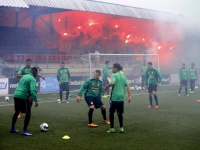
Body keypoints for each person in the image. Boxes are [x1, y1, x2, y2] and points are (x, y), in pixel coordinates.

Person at [10, 67, 38, 136]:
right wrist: (36, 100)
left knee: (17, 112)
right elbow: (32, 90)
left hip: (16, 94)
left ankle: (12, 128)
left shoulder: (24, 77)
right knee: (28, 113)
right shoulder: (33, 79)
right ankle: (24, 131)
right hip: (23, 96)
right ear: (35, 73)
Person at [105, 63, 132, 133]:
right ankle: (121, 128)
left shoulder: (114, 75)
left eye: (112, 68)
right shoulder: (123, 76)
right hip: (121, 97)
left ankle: (112, 128)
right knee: (120, 113)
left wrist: (106, 86)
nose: (112, 70)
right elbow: (128, 87)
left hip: (114, 97)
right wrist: (129, 96)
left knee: (111, 112)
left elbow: (112, 83)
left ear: (116, 69)